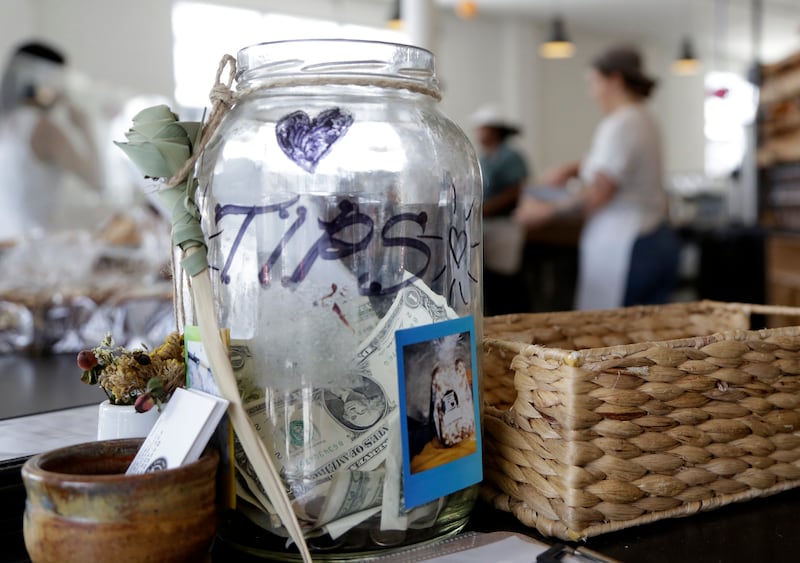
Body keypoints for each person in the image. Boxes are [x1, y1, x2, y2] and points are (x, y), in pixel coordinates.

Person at [514, 45, 680, 310]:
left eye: (593, 82)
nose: (591, 92)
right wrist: (571, 169)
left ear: (615, 80)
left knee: (619, 337)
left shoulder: (621, 124)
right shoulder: (644, 119)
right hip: (655, 236)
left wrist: (544, 211)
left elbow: (600, 191)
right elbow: (615, 165)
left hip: (629, 244)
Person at [0, 41, 101, 241]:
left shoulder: (6, 122)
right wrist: (85, 127)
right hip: (32, 248)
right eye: (58, 78)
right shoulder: (43, 128)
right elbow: (96, 180)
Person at [472, 104, 531, 316]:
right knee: (491, 279)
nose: (478, 133)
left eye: (483, 128)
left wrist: (486, 209)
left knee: (507, 278)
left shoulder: (510, 156)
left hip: (504, 224)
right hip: (486, 224)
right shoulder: (484, 157)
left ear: (494, 130)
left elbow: (515, 190)